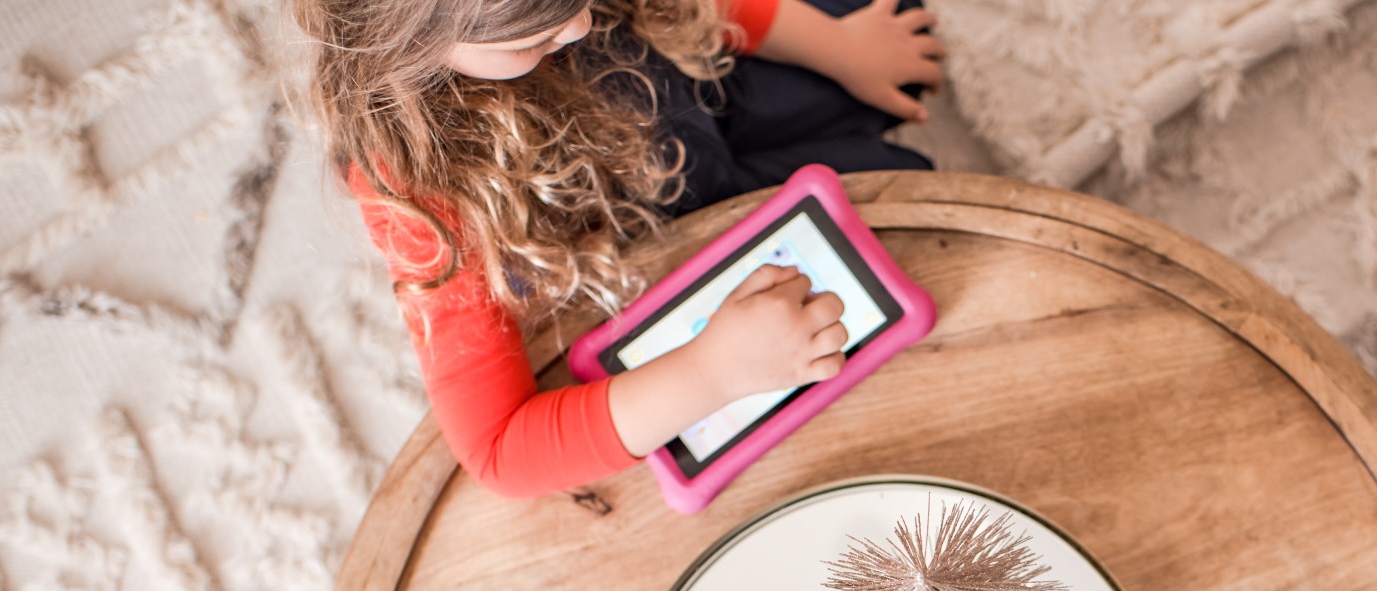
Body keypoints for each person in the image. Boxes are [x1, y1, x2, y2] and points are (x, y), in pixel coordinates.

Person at [292, 0, 942, 497]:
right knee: (909, 200)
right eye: (539, 35)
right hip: (662, 223)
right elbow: (498, 450)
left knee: (892, 28)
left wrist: (840, 48)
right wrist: (714, 370)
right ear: (410, 44)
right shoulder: (411, 178)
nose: (577, 27)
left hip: (695, 84)